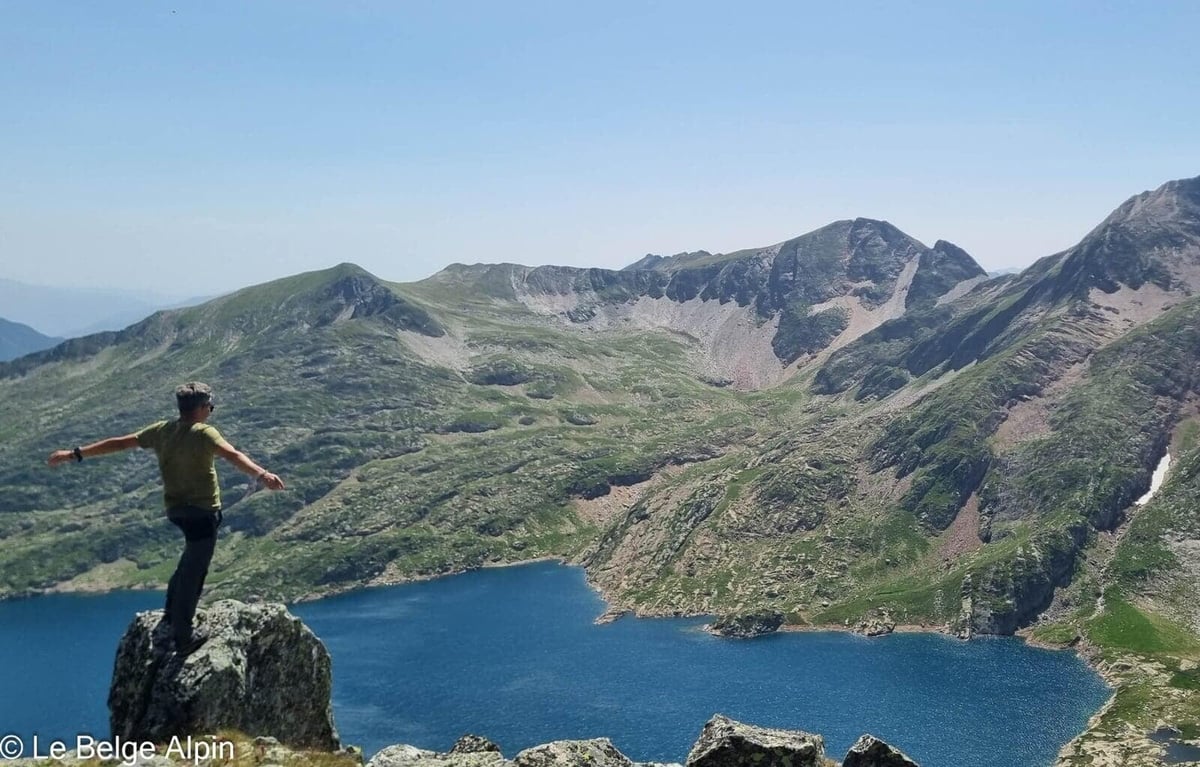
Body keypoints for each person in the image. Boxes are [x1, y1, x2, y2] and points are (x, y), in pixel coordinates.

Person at [48, 382, 284, 654]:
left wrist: (74, 454)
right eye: (210, 406)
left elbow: (121, 442)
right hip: (202, 513)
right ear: (201, 408)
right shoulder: (204, 432)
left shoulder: (161, 430)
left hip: (176, 511)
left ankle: (171, 616)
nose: (211, 411)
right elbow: (233, 455)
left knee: (188, 561)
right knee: (195, 571)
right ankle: (183, 637)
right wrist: (261, 474)